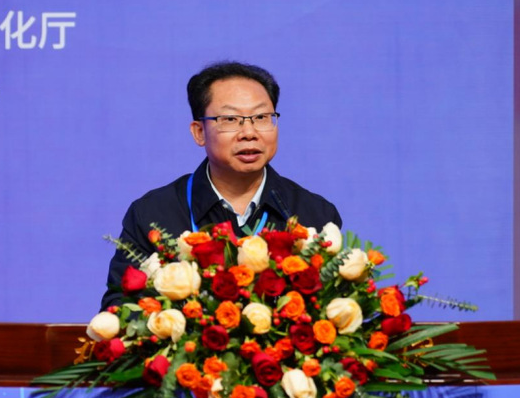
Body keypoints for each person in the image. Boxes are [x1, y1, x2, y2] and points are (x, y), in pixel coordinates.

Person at [100, 61, 341, 309]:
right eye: (230, 119)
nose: (249, 132)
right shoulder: (153, 215)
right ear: (199, 132)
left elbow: (335, 309)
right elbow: (119, 309)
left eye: (261, 117)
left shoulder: (315, 214)